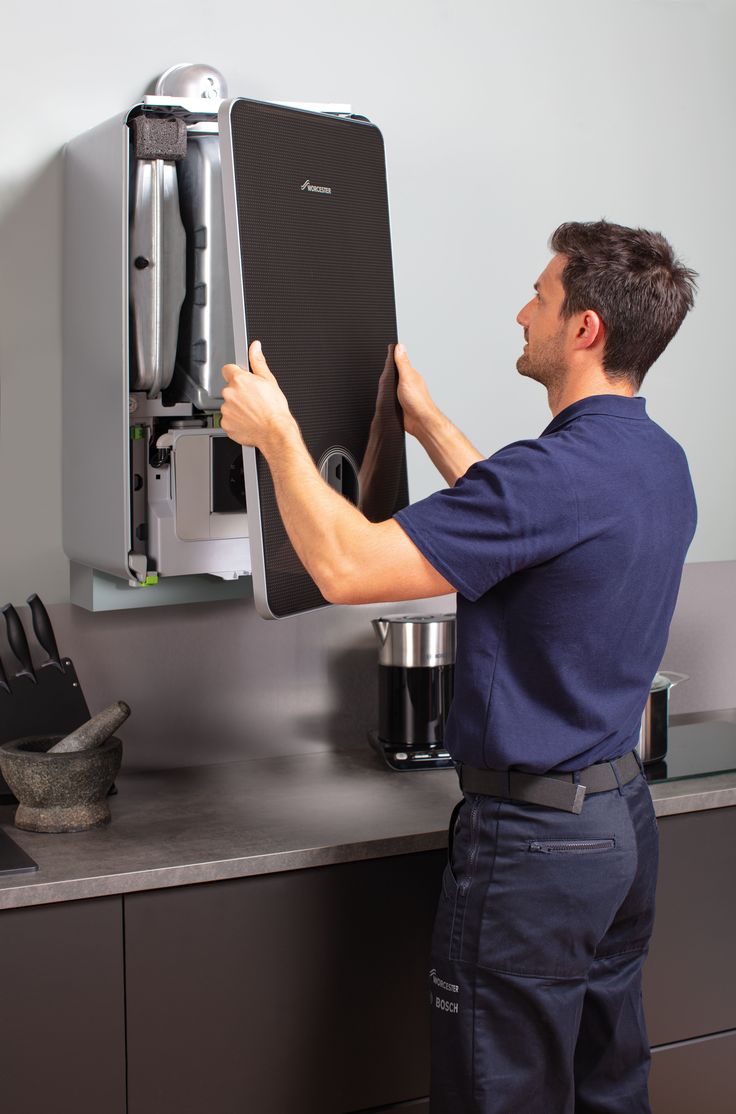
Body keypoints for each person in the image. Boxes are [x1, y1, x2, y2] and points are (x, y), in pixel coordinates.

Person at [219, 220, 698, 1113]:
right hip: (620, 829)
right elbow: (531, 528)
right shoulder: (653, 463)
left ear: (585, 329)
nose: (524, 313)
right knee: (606, 1090)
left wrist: (275, 435)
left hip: (536, 848)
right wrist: (429, 423)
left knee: (500, 1099)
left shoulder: (551, 477)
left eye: (542, 296)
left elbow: (348, 566)